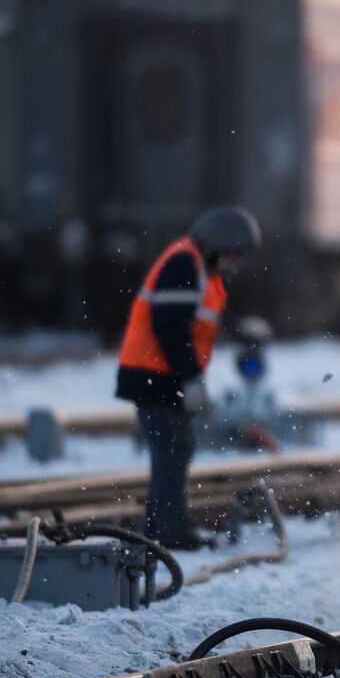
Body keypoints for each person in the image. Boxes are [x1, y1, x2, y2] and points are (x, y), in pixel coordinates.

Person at [115, 207, 262, 549]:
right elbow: (171, 328)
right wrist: (192, 377)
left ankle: (160, 526)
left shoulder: (201, 269)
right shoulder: (185, 263)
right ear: (219, 244)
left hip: (162, 375)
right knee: (171, 449)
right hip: (152, 375)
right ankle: (168, 531)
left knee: (176, 448)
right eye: (235, 253)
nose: (236, 262)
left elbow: (189, 326)